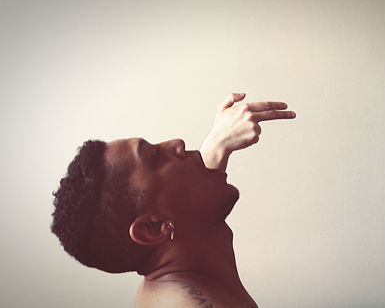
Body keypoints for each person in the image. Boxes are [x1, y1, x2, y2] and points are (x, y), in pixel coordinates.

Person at [51, 93, 296, 307]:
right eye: (155, 156)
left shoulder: (171, 267)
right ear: (153, 228)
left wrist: (217, 145)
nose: (177, 142)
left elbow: (192, 207)